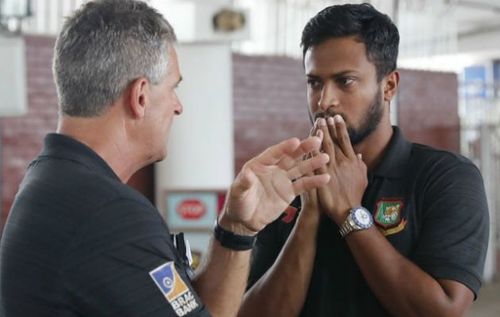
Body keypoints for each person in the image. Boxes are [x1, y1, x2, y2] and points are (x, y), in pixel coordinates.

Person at [0, 1, 331, 316]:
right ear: (140, 96)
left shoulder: (49, 183)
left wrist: (237, 228)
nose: (178, 106)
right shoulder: (110, 215)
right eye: (173, 88)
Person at [240, 3, 490, 317]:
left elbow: (443, 310)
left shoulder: (445, 177)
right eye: (314, 82)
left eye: (345, 81)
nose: (324, 101)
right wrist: (310, 215)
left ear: (389, 85)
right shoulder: (289, 182)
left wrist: (349, 213)